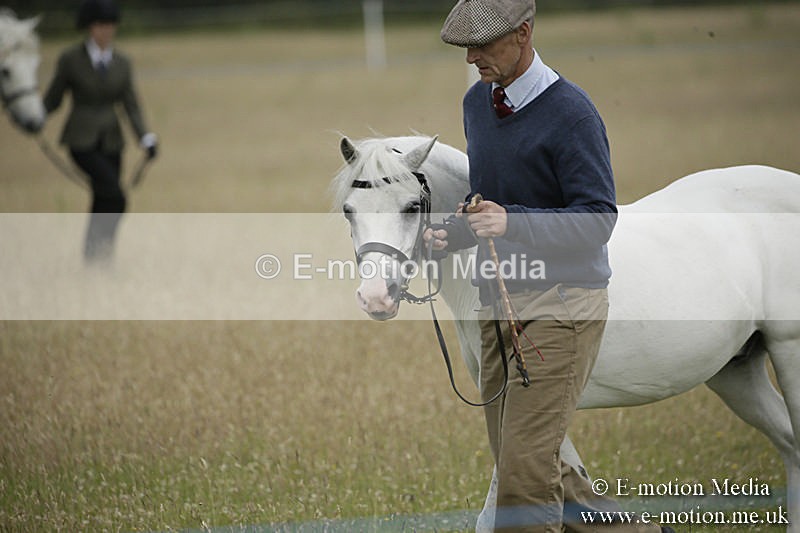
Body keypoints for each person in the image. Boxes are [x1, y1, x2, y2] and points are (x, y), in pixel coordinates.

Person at [426, 1, 672, 532]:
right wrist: (450, 234)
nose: (471, 58)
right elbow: (489, 205)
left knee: (523, 478)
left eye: (483, 44)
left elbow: (597, 220)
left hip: (562, 306)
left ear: (523, 33)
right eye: (464, 48)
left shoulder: (572, 114)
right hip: (499, 303)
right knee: (535, 465)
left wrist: (510, 221)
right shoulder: (476, 104)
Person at [43, 0, 157, 265]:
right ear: (89, 27)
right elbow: (53, 99)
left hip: (112, 141)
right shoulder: (71, 59)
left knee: (103, 199)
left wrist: (145, 137)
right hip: (81, 140)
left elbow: (131, 105)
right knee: (115, 196)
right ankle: (96, 253)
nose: (106, 31)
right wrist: (33, 117)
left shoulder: (122, 63)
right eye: (100, 25)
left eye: (110, 25)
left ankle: (99, 258)